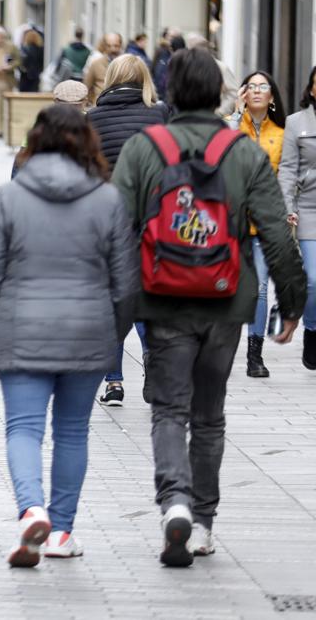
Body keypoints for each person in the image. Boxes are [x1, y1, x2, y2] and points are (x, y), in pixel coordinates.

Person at [113, 47, 305, 567]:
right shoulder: (242, 150)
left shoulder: (144, 147)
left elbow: (113, 229)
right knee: (210, 415)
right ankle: (202, 522)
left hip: (162, 297)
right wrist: (292, 302)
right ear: (221, 93)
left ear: (171, 90)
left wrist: (111, 304)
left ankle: (173, 500)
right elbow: (273, 231)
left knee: (169, 410)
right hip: (226, 298)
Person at [0, 104, 137, 566]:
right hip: (88, 330)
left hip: (22, 326)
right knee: (71, 432)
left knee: (23, 428)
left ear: (37, 140)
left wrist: (0, 315)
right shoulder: (108, 200)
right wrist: (113, 330)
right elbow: (125, 282)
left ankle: (31, 510)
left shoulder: (10, 196)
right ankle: (62, 532)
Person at [85, 53, 167, 405]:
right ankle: (153, 362)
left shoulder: (93, 118)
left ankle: (114, 382)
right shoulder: (160, 114)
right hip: (153, 218)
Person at [227, 71, 286, 377]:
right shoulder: (233, 124)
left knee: (260, 289)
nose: (258, 91)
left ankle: (254, 355)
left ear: (273, 96)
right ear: (244, 94)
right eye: (252, 86)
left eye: (264, 87)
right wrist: (236, 113)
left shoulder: (282, 133)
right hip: (231, 224)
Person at [279, 65, 316, 370]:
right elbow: (288, 169)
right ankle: (313, 331)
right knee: (314, 280)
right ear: (311, 88)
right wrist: (287, 205)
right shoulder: (296, 123)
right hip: (308, 209)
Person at [83, 33, 123, 106]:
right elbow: (87, 87)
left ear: (120, 46)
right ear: (104, 46)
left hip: (121, 105)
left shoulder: (127, 65)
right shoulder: (96, 64)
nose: (112, 49)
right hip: (100, 106)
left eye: (116, 46)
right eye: (109, 46)